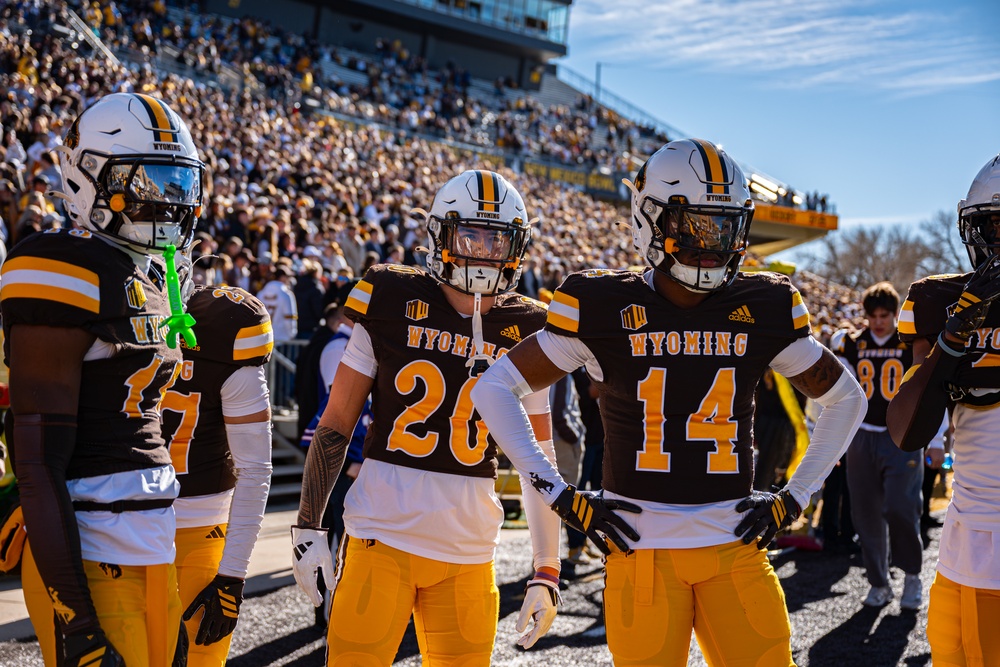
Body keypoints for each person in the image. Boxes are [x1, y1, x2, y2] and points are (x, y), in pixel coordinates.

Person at [472, 139, 866, 666]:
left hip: (734, 544)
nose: (711, 246)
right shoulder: (602, 303)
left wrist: (795, 496)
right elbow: (493, 388)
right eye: (694, 225)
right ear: (649, 218)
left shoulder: (764, 302)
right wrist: (560, 495)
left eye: (723, 227)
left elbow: (847, 399)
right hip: (643, 549)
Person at [290, 170, 636, 664]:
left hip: (471, 551)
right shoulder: (388, 296)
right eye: (470, 234)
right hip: (379, 537)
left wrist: (547, 566)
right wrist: (308, 526)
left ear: (516, 248)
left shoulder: (530, 324)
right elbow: (337, 422)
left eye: (498, 240)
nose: (484, 252)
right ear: (440, 235)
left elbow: (538, 455)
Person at [0, 92, 205, 666]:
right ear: (87, 179)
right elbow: (37, 461)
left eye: (178, 183)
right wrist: (79, 624)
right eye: (150, 182)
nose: (170, 202)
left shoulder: (145, 273)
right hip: (94, 556)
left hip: (150, 549)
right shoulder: (59, 266)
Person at [887, 152, 1000, 666]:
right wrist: (954, 338)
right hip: (962, 545)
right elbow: (908, 430)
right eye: (996, 228)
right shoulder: (942, 303)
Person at [162, 282, 274, 665]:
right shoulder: (233, 348)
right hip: (145, 523)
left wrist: (232, 575)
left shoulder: (135, 332)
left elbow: (256, 470)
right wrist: (233, 575)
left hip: (183, 527)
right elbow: (256, 471)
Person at [833, 282, 923, 608]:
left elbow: (927, 390)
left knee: (901, 507)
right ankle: (879, 582)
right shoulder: (852, 343)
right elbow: (840, 396)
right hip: (861, 435)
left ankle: (912, 574)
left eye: (885, 315)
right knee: (865, 514)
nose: (879, 321)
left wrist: (938, 436)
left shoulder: (910, 343)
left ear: (895, 314)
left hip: (902, 435)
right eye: (873, 315)